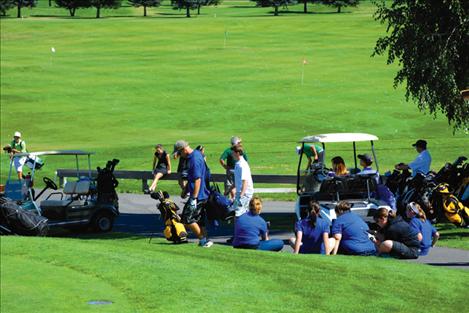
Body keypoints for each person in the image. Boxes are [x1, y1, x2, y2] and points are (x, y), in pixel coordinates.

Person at [173, 140, 213, 247]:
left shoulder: (194, 159)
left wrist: (193, 198)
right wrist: (185, 190)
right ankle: (204, 241)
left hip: (198, 196)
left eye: (179, 153)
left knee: (187, 218)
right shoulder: (195, 155)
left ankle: (204, 240)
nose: (180, 155)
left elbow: (197, 180)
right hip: (201, 194)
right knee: (199, 220)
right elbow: (191, 179)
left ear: (184, 150)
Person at [232, 144, 254, 218]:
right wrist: (229, 190)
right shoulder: (237, 164)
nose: (232, 154)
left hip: (245, 193)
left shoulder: (242, 165)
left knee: (239, 214)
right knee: (238, 212)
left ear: (237, 153)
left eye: (233, 152)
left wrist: (240, 196)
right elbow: (237, 180)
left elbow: (245, 181)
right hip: (240, 193)